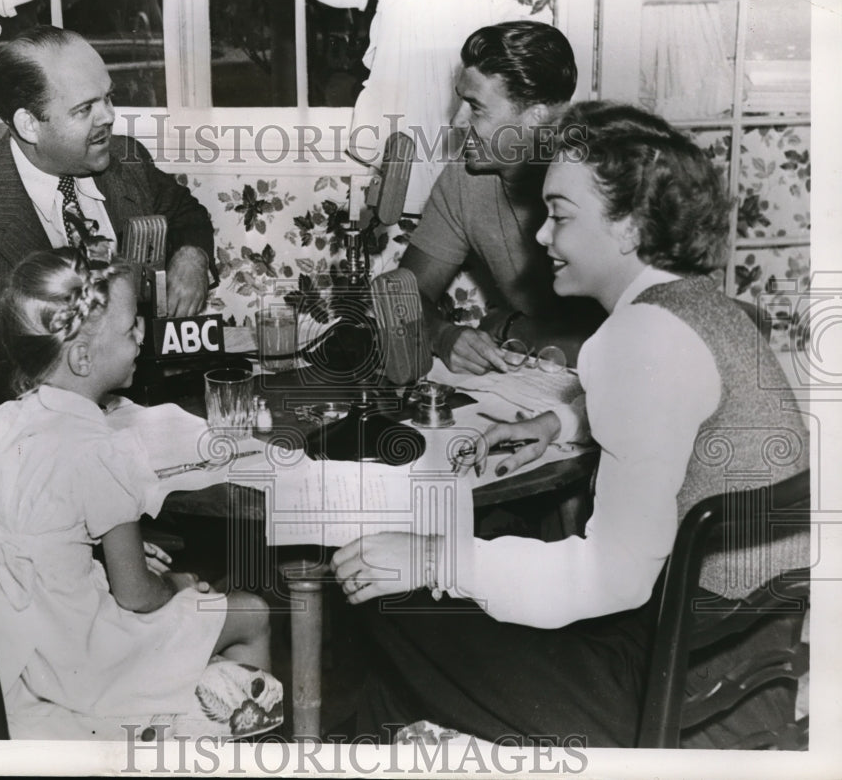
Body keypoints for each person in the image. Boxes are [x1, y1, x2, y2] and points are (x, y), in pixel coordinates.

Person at [331, 101, 809, 746]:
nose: (539, 237)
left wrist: (430, 557)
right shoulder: (705, 307)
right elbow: (680, 406)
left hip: (668, 684)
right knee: (466, 562)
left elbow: (610, 581)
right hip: (747, 653)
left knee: (391, 592)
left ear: (629, 225)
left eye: (559, 215)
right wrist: (559, 420)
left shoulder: (635, 337)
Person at [0, 248, 276, 737]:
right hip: (82, 660)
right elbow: (137, 597)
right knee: (252, 611)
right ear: (83, 358)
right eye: (131, 330)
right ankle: (244, 747)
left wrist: (98, 553)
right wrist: (181, 584)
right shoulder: (97, 448)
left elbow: (35, 534)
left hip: (15, 642)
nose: (143, 337)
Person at [0, 25, 216, 404]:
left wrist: (192, 256)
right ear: (29, 125)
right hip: (26, 426)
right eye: (84, 109)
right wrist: (34, 355)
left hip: (143, 404)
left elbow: (185, 211)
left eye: (108, 97)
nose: (107, 117)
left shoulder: (129, 161)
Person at [400, 20, 604, 375]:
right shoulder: (464, 179)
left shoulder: (608, 178)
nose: (456, 123)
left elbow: (645, 336)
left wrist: (511, 327)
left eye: (475, 108)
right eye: (460, 102)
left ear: (537, 119)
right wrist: (441, 335)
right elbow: (401, 294)